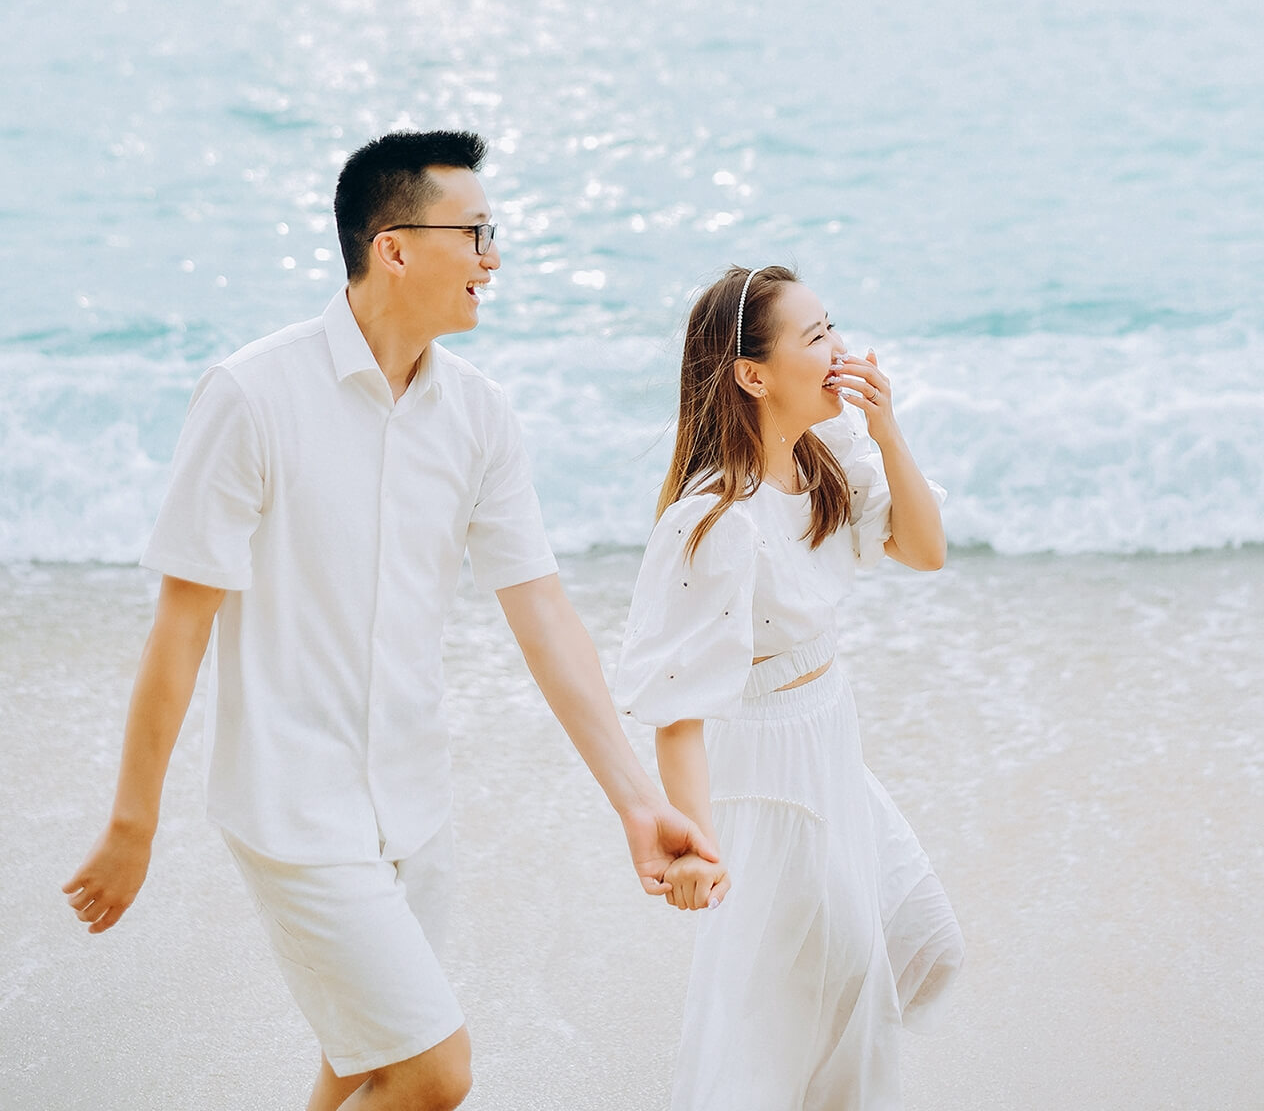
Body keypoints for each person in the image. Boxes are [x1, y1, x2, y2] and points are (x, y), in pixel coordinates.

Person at [63, 129, 718, 1111]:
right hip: (292, 808)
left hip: (414, 806)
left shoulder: (481, 415)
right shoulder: (251, 394)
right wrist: (131, 825)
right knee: (431, 1070)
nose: (492, 256)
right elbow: (180, 628)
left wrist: (635, 800)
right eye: (476, 231)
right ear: (395, 246)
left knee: (365, 1065)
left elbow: (542, 614)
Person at [615, 262, 964, 1111]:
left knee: (918, 944)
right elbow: (678, 709)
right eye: (815, 337)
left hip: (831, 742)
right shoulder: (714, 524)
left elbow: (924, 551)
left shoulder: (829, 454)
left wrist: (888, 433)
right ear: (753, 375)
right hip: (771, 778)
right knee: (788, 1017)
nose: (838, 348)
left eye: (831, 327)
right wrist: (697, 843)